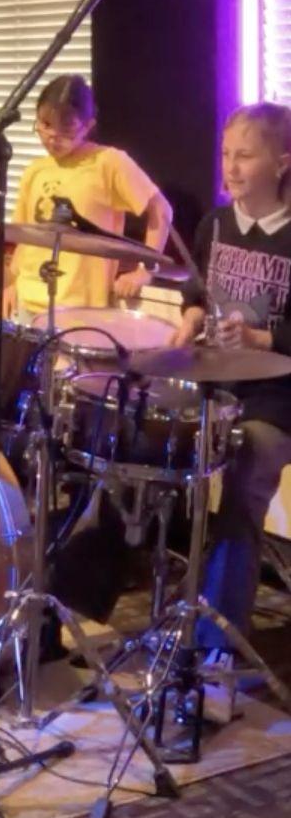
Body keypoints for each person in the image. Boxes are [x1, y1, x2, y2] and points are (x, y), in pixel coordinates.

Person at [174, 101, 291, 723]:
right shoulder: (215, 225)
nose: (232, 167)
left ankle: (217, 657)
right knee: (125, 438)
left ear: (282, 162)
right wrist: (192, 316)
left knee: (244, 476)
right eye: (226, 154)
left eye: (245, 155)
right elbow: (196, 292)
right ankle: (70, 615)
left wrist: (259, 338)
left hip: (279, 401)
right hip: (218, 388)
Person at [4, 74, 173, 321]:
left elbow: (161, 209)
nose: (53, 136)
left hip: (80, 310)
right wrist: (12, 283)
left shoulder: (108, 162)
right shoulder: (34, 171)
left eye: (66, 128)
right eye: (46, 124)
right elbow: (24, 238)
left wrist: (146, 269)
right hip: (27, 302)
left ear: (87, 125)